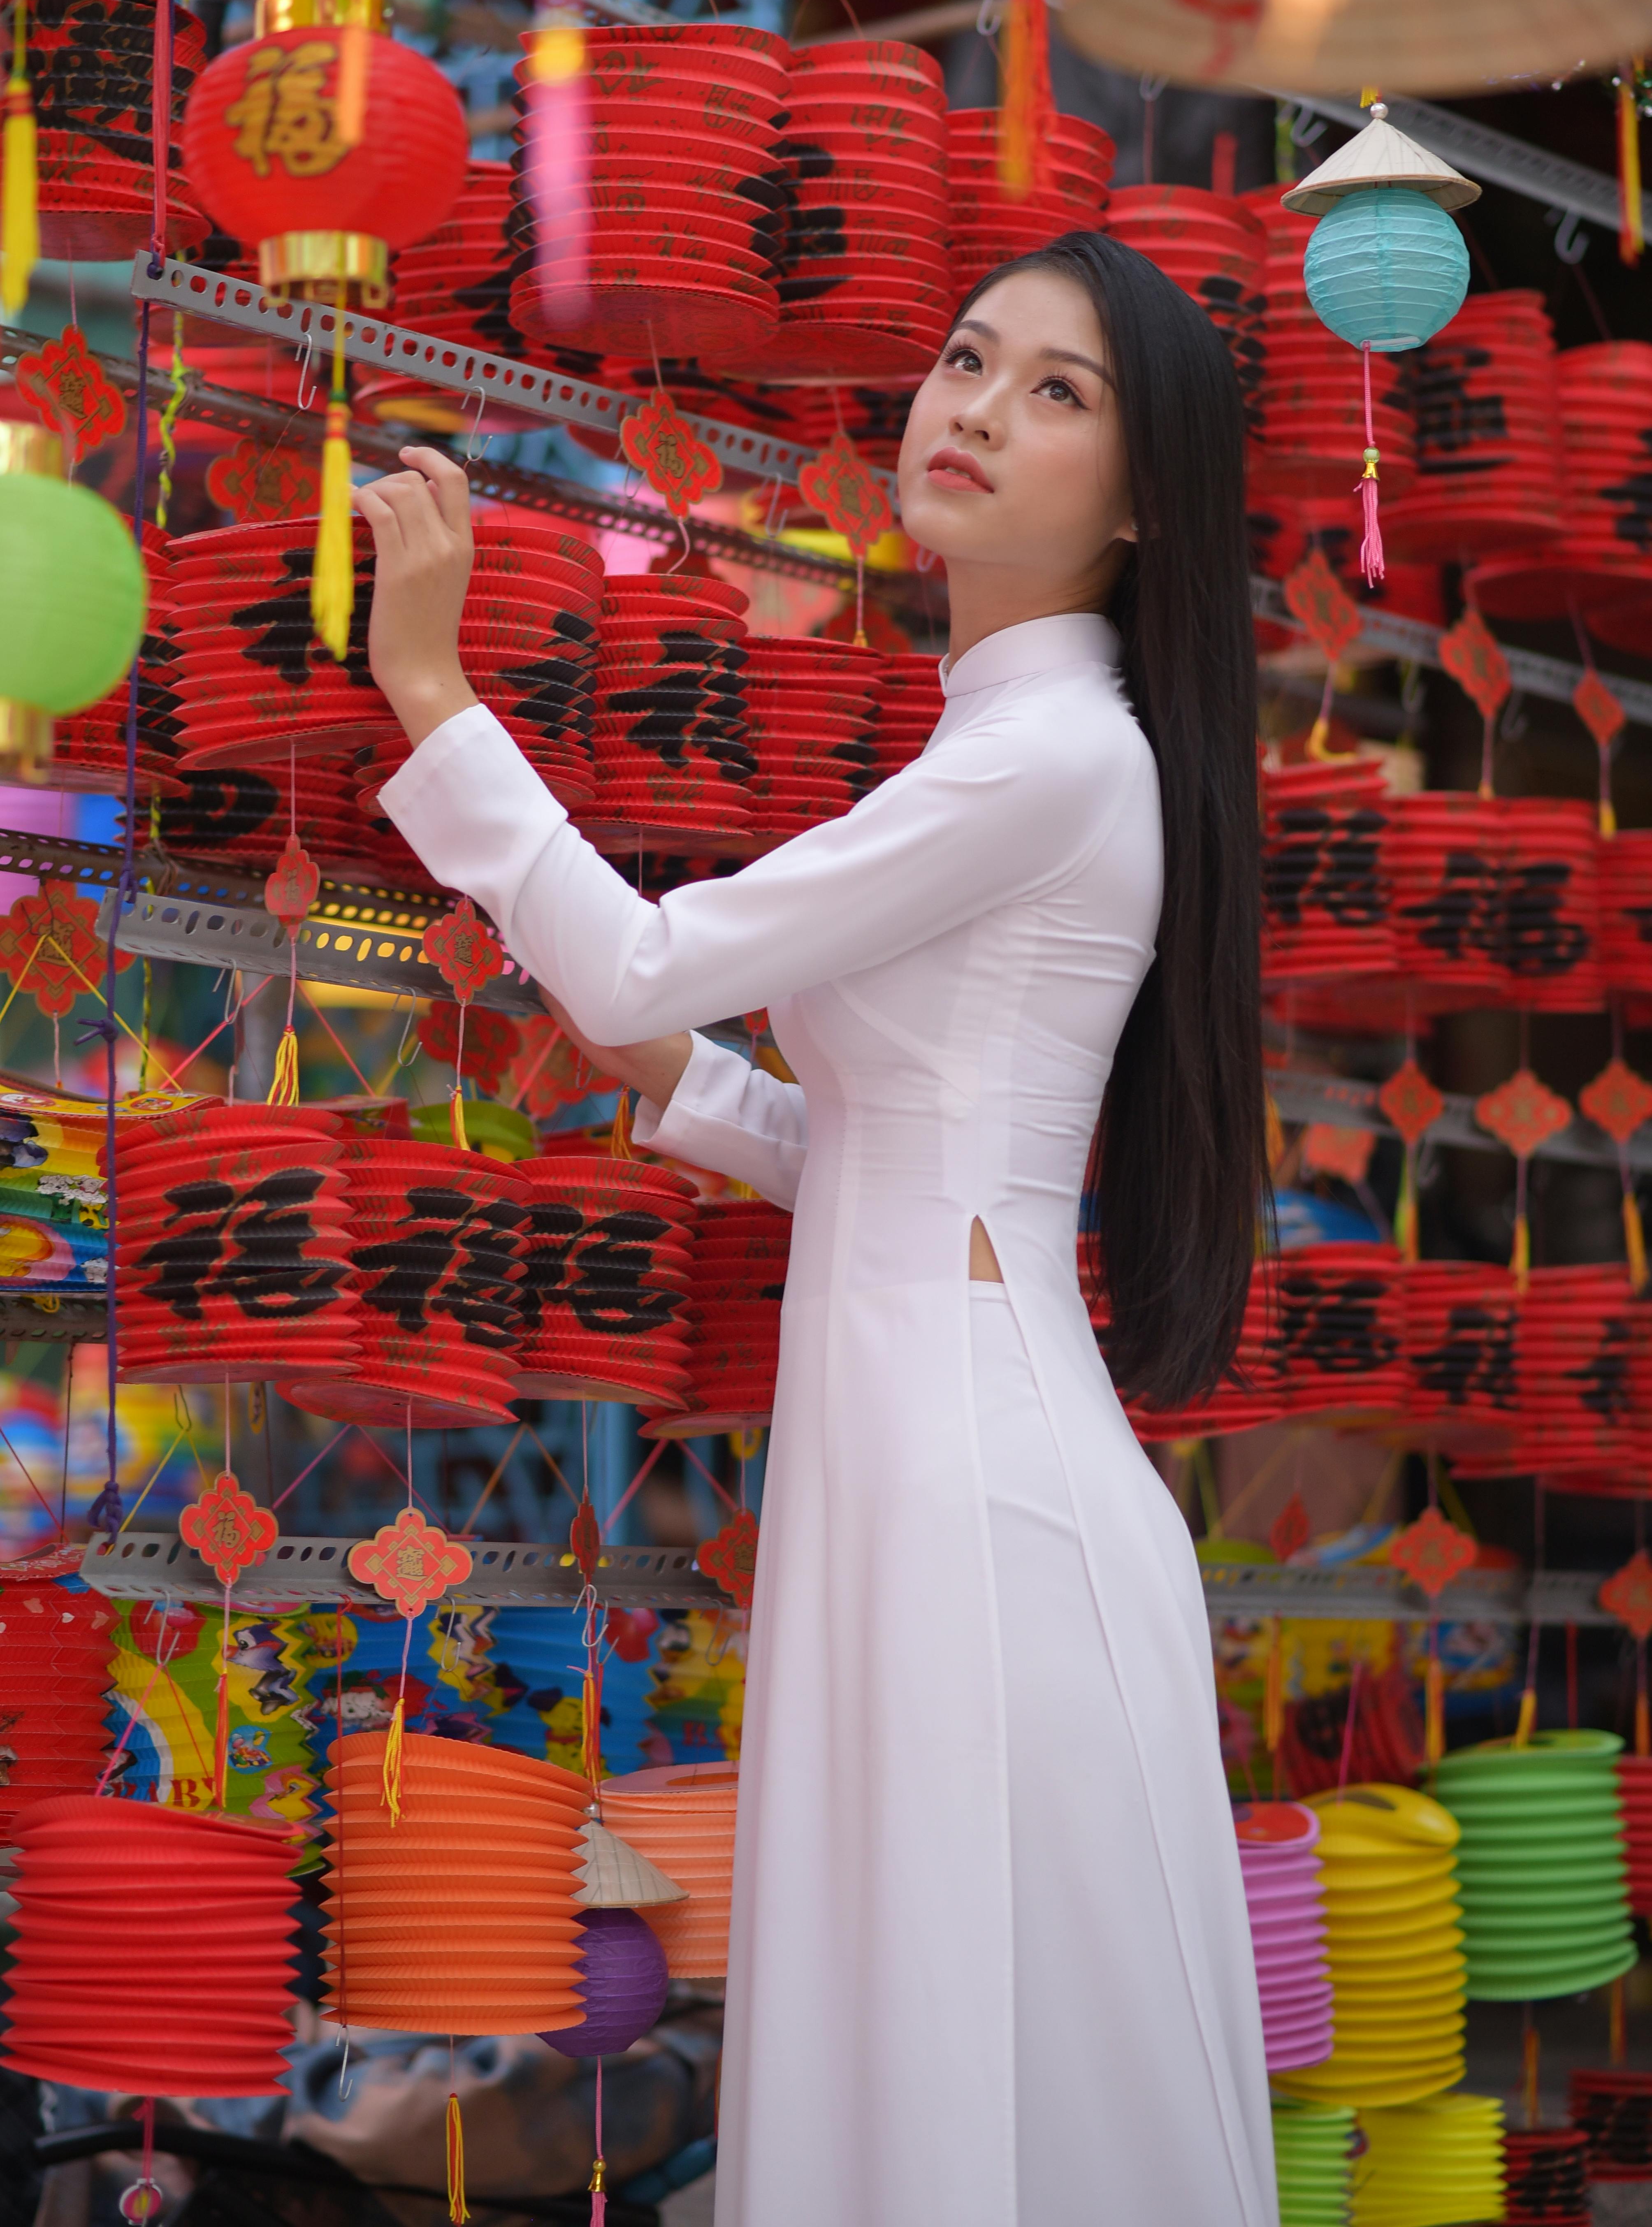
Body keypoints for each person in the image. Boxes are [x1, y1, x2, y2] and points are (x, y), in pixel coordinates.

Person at [363, 232, 1277, 2227]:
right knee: (951, 2053)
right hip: (935, 1458)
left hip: (964, 1492)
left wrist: (430, 685)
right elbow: (908, 1143)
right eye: (965, 357)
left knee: (966, 2067)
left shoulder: (1042, 753)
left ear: (1139, 506)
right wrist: (699, 1094)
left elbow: (634, 964)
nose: (968, 406)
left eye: (1055, 391)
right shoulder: (1015, 747)